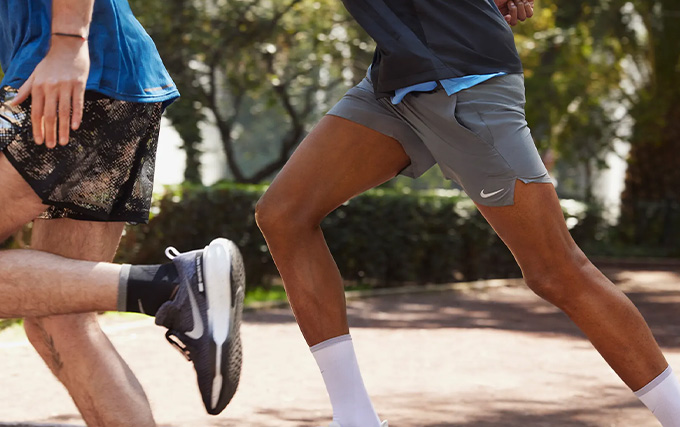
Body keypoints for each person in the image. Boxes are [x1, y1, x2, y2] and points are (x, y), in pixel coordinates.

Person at [254, 0, 680, 426]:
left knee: (556, 270)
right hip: (396, 80)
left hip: (462, 77)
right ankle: (355, 419)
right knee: (284, 214)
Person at [0, 0, 244, 424]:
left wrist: (67, 42)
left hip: (70, 75)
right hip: (96, 81)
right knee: (60, 326)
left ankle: (170, 286)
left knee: (62, 325)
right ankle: (169, 287)